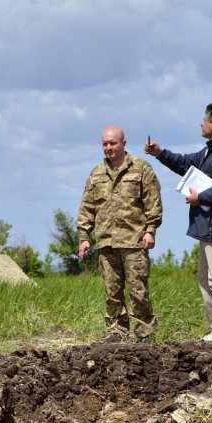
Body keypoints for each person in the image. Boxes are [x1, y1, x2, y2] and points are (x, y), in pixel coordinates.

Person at [145, 103, 212, 341]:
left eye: (204, 119)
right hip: (207, 228)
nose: (200, 122)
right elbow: (184, 163)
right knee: (204, 279)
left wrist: (202, 197)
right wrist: (160, 153)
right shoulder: (210, 150)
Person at [77, 125, 163, 342]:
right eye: (105, 144)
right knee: (112, 292)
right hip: (106, 243)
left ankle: (145, 333)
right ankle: (117, 332)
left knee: (138, 292)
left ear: (123, 143)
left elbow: (153, 203)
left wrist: (150, 231)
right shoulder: (96, 174)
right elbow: (87, 207)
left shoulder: (141, 169)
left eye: (112, 143)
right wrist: (84, 237)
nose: (108, 148)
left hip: (135, 242)